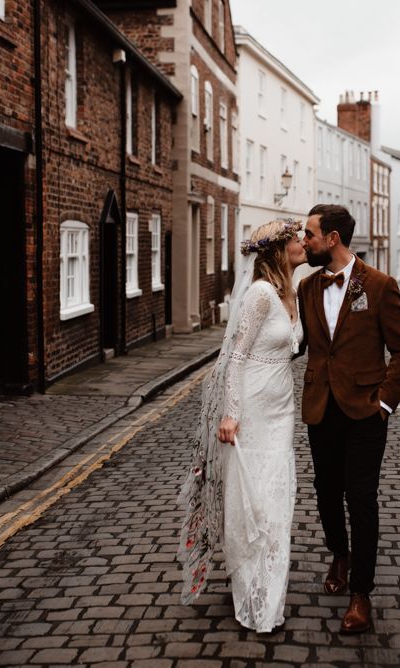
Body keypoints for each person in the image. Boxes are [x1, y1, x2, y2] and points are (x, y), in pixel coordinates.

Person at [177, 219, 306, 633]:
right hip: (251, 405)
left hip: (282, 407)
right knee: (252, 498)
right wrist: (231, 412)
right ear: (278, 251)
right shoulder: (260, 294)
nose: (302, 243)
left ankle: (270, 585)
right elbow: (235, 356)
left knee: (276, 496)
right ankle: (253, 590)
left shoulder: (292, 293)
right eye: (294, 239)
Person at [297, 204, 400, 634]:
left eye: (309, 234)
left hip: (365, 411)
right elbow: (299, 343)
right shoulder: (306, 288)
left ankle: (361, 593)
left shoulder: (380, 286)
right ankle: (339, 555)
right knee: (326, 493)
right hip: (320, 408)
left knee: (361, 500)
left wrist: (384, 404)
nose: (303, 241)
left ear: (332, 239)